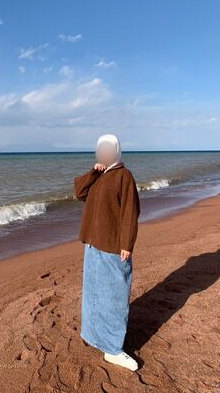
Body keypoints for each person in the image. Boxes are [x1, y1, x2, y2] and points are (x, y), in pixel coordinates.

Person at [73, 133, 141, 371]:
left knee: (115, 297)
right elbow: (78, 192)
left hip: (113, 245)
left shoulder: (124, 176)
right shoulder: (98, 176)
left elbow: (130, 212)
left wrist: (126, 244)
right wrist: (93, 172)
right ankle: (93, 336)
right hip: (92, 244)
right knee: (93, 294)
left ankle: (112, 348)